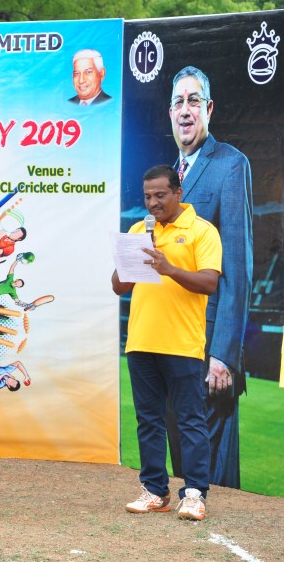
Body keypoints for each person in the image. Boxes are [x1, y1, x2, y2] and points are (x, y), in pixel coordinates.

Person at [112, 165, 221, 521]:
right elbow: (118, 286)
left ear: (178, 192)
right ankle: (155, 490)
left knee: (189, 420)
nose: (153, 202)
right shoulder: (138, 230)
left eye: (160, 195)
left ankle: (195, 493)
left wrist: (169, 267)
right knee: (148, 420)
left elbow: (209, 283)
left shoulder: (202, 231)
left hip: (182, 343)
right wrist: (130, 260)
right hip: (141, 341)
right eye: (147, 196)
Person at [165, 66, 253, 489]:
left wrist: (223, 355)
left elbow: (237, 266)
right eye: (179, 102)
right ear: (170, 113)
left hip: (208, 353)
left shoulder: (231, 165)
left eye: (194, 100)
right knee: (183, 473)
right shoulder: (169, 176)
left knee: (214, 486)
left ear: (209, 108)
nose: (186, 109)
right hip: (171, 345)